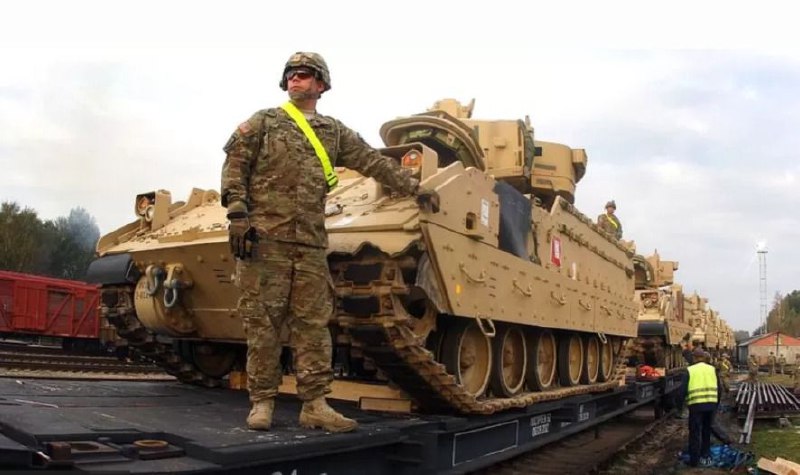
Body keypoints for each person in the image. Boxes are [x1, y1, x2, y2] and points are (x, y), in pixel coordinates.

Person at [220, 51, 440, 432]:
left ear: (320, 84)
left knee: (313, 326)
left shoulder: (332, 132)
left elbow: (371, 161)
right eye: (290, 74)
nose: (295, 79)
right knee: (263, 324)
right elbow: (235, 165)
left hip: (309, 244)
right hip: (265, 241)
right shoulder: (264, 122)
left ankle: (315, 405)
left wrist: (412, 187)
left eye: (304, 74)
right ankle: (262, 403)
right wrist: (237, 213)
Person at [678, 347, 722, 467]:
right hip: (711, 405)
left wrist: (679, 408)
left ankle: (694, 461)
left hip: (696, 406)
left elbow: (682, 391)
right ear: (703, 357)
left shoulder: (690, 370)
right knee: (706, 431)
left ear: (694, 358)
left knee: (695, 432)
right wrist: (716, 404)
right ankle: (705, 455)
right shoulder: (712, 369)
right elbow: (719, 388)